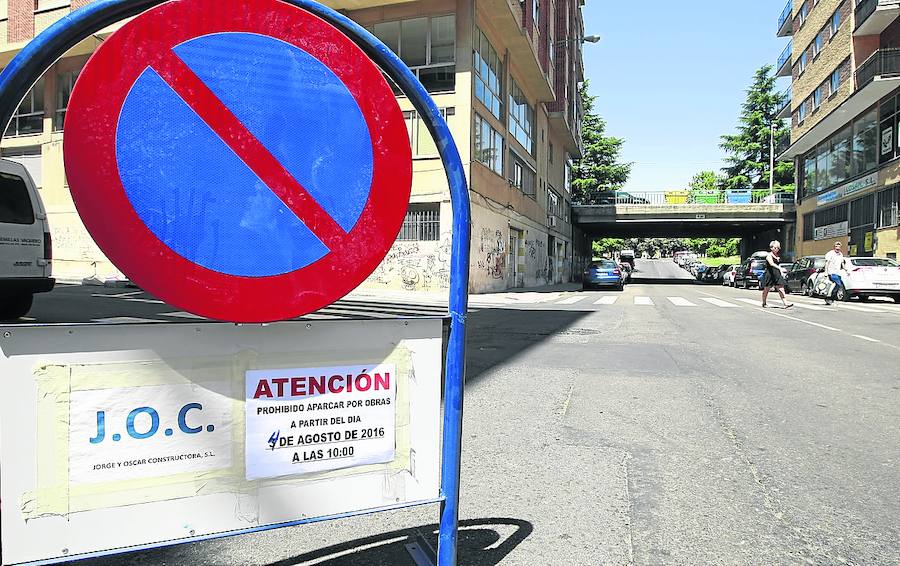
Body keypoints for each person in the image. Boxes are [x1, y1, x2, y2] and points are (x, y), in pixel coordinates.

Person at [761, 240, 793, 308]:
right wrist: (780, 268)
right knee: (766, 289)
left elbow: (777, 264)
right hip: (770, 274)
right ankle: (764, 303)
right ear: (771, 248)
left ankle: (786, 303)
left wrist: (780, 269)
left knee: (781, 288)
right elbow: (772, 264)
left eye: (778, 248)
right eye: (775, 247)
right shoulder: (769, 255)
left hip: (777, 274)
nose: (777, 249)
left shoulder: (777, 255)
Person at [823, 241, 847, 305]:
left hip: (838, 272)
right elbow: (827, 263)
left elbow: (842, 263)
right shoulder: (830, 253)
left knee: (838, 285)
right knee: (838, 284)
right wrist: (826, 272)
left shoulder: (840, 254)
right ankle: (830, 298)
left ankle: (829, 298)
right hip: (831, 272)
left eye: (839, 247)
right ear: (834, 247)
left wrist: (845, 269)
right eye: (836, 247)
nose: (837, 248)